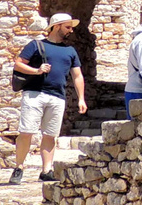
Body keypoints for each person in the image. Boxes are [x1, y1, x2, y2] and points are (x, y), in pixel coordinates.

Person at [9, 12, 87, 185]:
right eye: (68, 27)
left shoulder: (70, 51)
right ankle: (19, 167)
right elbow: (19, 63)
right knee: (26, 132)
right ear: (57, 26)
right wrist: (37, 71)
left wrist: (81, 98)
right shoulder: (36, 45)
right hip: (34, 93)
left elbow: (77, 76)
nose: (71, 31)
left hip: (58, 96)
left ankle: (46, 170)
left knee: (50, 135)